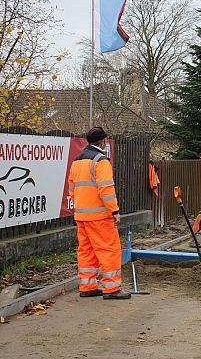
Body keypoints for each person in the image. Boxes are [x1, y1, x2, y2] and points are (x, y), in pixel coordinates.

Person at [68, 127, 131, 299]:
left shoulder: (77, 161)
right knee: (109, 249)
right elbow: (106, 190)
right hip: (99, 216)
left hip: (81, 215)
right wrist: (115, 210)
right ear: (103, 142)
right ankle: (112, 289)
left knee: (86, 250)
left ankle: (87, 286)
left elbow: (72, 189)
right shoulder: (101, 161)